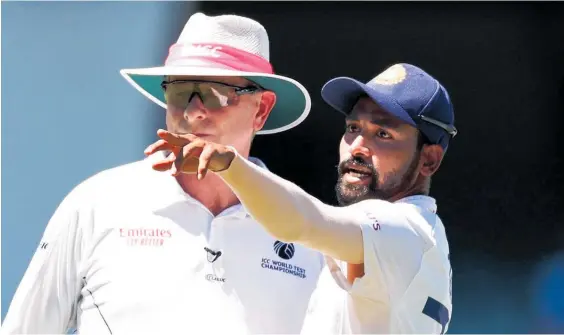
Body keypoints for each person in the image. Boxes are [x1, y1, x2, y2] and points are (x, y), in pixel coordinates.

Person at [1, 12, 324, 334]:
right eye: (181, 92)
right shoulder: (98, 201)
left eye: (217, 94)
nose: (194, 111)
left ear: (262, 109)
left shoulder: (311, 224)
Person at [144, 63, 458, 334]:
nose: (357, 146)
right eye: (353, 127)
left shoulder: (404, 230)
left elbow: (302, 223)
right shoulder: (410, 237)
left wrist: (230, 165)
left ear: (429, 160)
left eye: (383, 135)